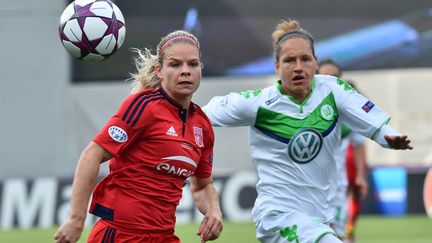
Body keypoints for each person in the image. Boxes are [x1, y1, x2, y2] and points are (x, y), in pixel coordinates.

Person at [203, 19, 412, 243]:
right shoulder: (259, 104)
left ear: (315, 63)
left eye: (305, 59)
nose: (298, 67)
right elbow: (202, 114)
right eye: (289, 61)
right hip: (277, 216)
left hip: (319, 216)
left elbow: (366, 114)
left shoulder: (331, 90)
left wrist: (386, 136)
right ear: (277, 66)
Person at [54, 30, 223, 243]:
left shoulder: (203, 125)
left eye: (193, 64)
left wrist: (214, 211)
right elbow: (92, 154)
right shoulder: (144, 106)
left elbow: (202, 185)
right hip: (119, 234)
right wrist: (76, 219)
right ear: (159, 71)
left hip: (163, 237)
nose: (185, 71)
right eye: (175, 64)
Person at [318, 59, 369, 241]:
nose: (330, 80)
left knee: (338, 234)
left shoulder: (348, 112)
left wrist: (361, 176)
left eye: (335, 77)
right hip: (309, 185)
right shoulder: (302, 107)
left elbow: (358, 144)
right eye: (325, 76)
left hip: (337, 185)